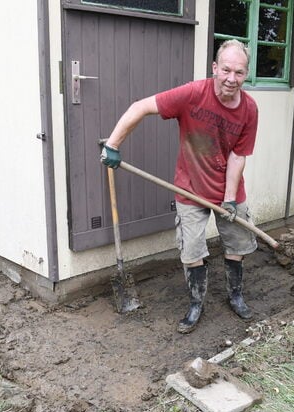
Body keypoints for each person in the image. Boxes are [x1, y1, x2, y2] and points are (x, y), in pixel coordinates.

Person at [100, 39, 259, 334]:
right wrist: (113, 145)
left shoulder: (249, 109)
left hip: (230, 192)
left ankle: (235, 295)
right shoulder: (192, 94)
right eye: (226, 70)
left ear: (246, 74)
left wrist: (229, 199)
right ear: (215, 68)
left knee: (236, 247)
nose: (231, 79)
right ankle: (196, 303)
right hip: (190, 189)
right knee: (192, 251)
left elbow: (238, 156)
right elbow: (140, 107)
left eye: (239, 73)